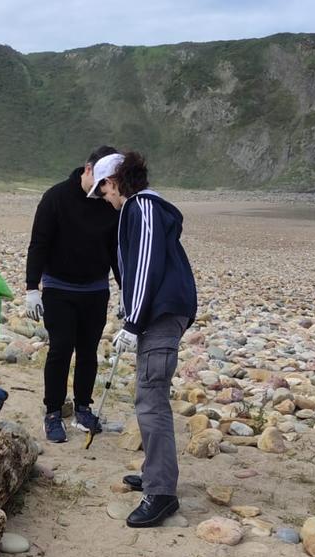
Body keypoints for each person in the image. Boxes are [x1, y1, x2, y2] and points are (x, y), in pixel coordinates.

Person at [93, 152, 197, 528]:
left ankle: (162, 493)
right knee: (147, 394)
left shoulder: (143, 207)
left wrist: (132, 320)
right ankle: (156, 475)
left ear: (113, 181)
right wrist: (130, 312)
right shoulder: (140, 209)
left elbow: (147, 264)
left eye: (102, 190)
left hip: (161, 314)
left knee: (151, 399)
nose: (103, 199)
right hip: (159, 314)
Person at [25, 145, 121, 443]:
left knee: (89, 351)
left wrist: (126, 291)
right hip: (58, 287)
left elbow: (115, 251)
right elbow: (38, 242)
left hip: (95, 288)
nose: (106, 188)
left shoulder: (108, 203)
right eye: (103, 179)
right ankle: (53, 412)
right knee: (60, 349)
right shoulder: (56, 197)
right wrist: (31, 288)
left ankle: (83, 408)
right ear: (88, 168)